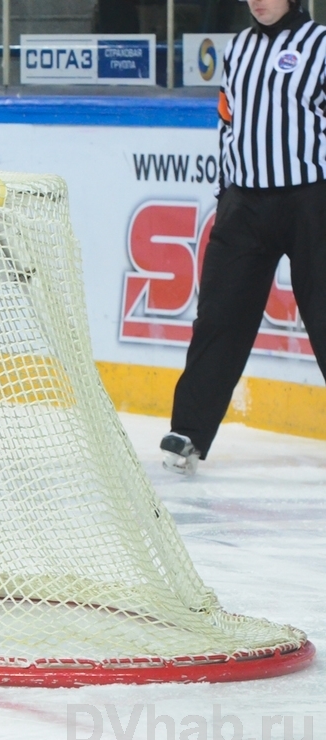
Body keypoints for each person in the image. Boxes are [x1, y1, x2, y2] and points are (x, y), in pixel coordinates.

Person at [162, 0, 326, 475]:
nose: (258, 0)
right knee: (220, 315)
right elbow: (228, 125)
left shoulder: (319, 46)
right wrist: (228, 190)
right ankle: (189, 430)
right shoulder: (238, 49)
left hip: (311, 200)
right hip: (244, 204)